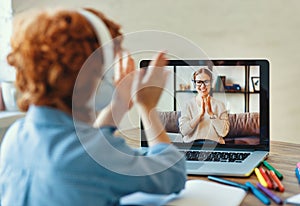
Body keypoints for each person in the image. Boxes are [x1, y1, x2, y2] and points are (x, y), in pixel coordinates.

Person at [0, 8, 186, 205]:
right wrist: (147, 107)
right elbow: (172, 173)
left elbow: (82, 145)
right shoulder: (93, 155)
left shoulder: (15, 137)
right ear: (94, 75)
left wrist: (120, 104)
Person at [179, 68, 230, 144]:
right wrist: (200, 115)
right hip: (192, 146)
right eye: (199, 82)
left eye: (206, 82)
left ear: (211, 83)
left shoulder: (220, 105)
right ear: (195, 84)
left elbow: (223, 133)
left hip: (215, 147)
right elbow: (184, 131)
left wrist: (211, 114)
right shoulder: (188, 105)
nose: (202, 86)